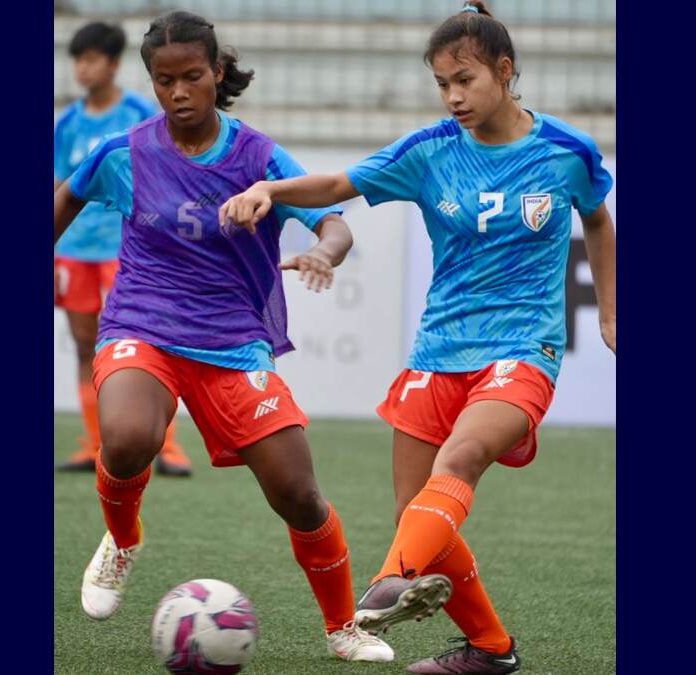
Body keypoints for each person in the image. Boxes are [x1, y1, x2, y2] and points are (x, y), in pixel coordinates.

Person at [219, 2, 616, 672]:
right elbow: (339, 183)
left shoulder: (565, 151)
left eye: (465, 79)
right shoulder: (429, 151)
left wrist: (609, 312)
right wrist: (271, 187)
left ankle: (386, 583)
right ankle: (491, 650)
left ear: (505, 69)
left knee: (455, 463)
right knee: (422, 512)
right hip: (437, 350)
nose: (453, 96)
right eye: (442, 83)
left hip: (522, 348)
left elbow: (599, 222)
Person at [53, 10, 394, 663]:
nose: (178, 92)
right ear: (151, 83)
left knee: (298, 493)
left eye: (191, 77)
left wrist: (326, 250)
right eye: (163, 81)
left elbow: (334, 220)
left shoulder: (258, 157)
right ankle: (122, 541)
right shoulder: (125, 152)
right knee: (127, 439)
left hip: (232, 342)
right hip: (142, 325)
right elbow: (66, 197)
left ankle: (342, 626)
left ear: (216, 74)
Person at [54, 20, 192, 476]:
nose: (82, 68)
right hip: (74, 250)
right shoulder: (69, 123)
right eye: (77, 59)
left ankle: (166, 447)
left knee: (146, 343)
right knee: (82, 345)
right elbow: (59, 187)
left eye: (91, 59)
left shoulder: (137, 115)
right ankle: (95, 444)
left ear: (113, 64)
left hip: (126, 251)